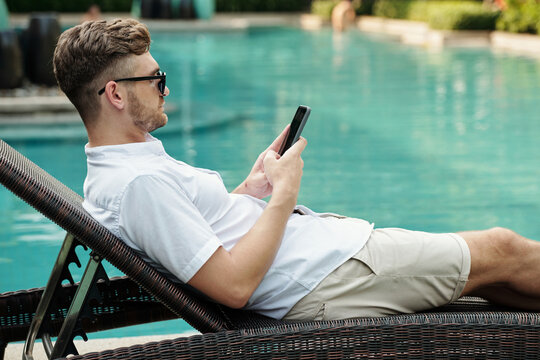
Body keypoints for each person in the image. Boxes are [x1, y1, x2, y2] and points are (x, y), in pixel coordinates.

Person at [53, 18, 540, 321]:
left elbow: (207, 234)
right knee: (503, 248)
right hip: (322, 280)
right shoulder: (138, 185)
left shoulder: (128, 165)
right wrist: (283, 196)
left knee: (496, 276)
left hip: (322, 261)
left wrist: (252, 188)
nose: (164, 87)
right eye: (155, 78)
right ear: (115, 94)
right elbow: (235, 287)